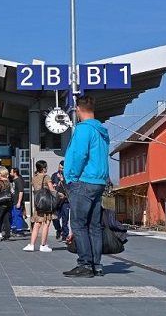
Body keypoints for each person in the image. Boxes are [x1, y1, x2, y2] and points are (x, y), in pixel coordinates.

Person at [63, 96, 112, 277]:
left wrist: (72, 177)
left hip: (84, 181)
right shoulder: (101, 131)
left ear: (77, 109)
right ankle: (96, 266)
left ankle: (84, 264)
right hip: (99, 182)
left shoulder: (83, 129)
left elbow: (78, 155)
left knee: (78, 223)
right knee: (94, 225)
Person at [24, 160, 56, 252]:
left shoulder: (34, 178)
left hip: (38, 203)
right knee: (46, 224)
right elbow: (52, 190)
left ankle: (31, 245)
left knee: (37, 224)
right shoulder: (47, 177)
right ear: (44, 168)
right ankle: (43, 245)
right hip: (46, 203)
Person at [51, 161, 71, 243]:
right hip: (56, 199)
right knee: (55, 217)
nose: (61, 170)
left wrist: (62, 180)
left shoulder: (68, 176)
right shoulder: (54, 175)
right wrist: (53, 185)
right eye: (59, 168)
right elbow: (51, 184)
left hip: (65, 200)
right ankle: (58, 229)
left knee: (65, 218)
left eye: (62, 168)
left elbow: (69, 187)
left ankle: (65, 234)